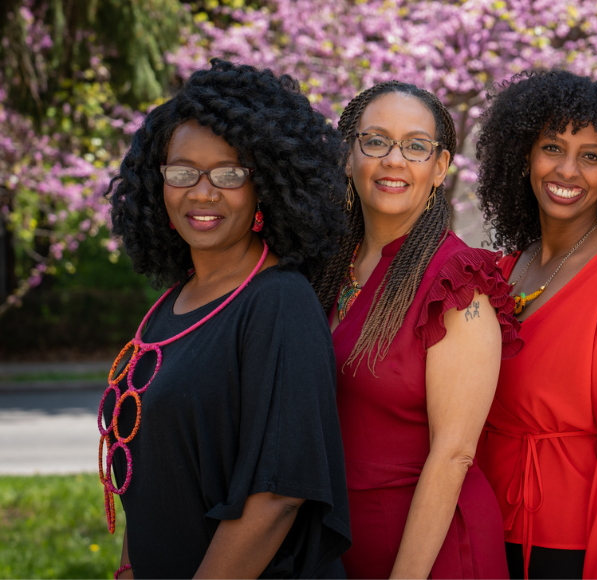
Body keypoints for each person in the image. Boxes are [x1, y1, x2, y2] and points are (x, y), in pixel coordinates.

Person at [100, 59, 350, 579]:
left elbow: (279, 494)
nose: (202, 192)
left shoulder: (280, 303)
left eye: (229, 174)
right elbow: (153, 468)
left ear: (268, 185)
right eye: (183, 171)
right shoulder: (170, 305)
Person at [309, 80, 522, 579]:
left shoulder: (456, 284)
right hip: (337, 546)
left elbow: (453, 455)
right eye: (376, 141)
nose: (394, 159)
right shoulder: (326, 267)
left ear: (440, 167)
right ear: (348, 154)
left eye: (416, 146)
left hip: (432, 553)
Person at [474, 69, 597, 579]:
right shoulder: (503, 270)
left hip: (580, 550)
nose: (567, 170)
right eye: (552, 148)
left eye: (591, 156)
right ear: (524, 155)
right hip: (491, 532)